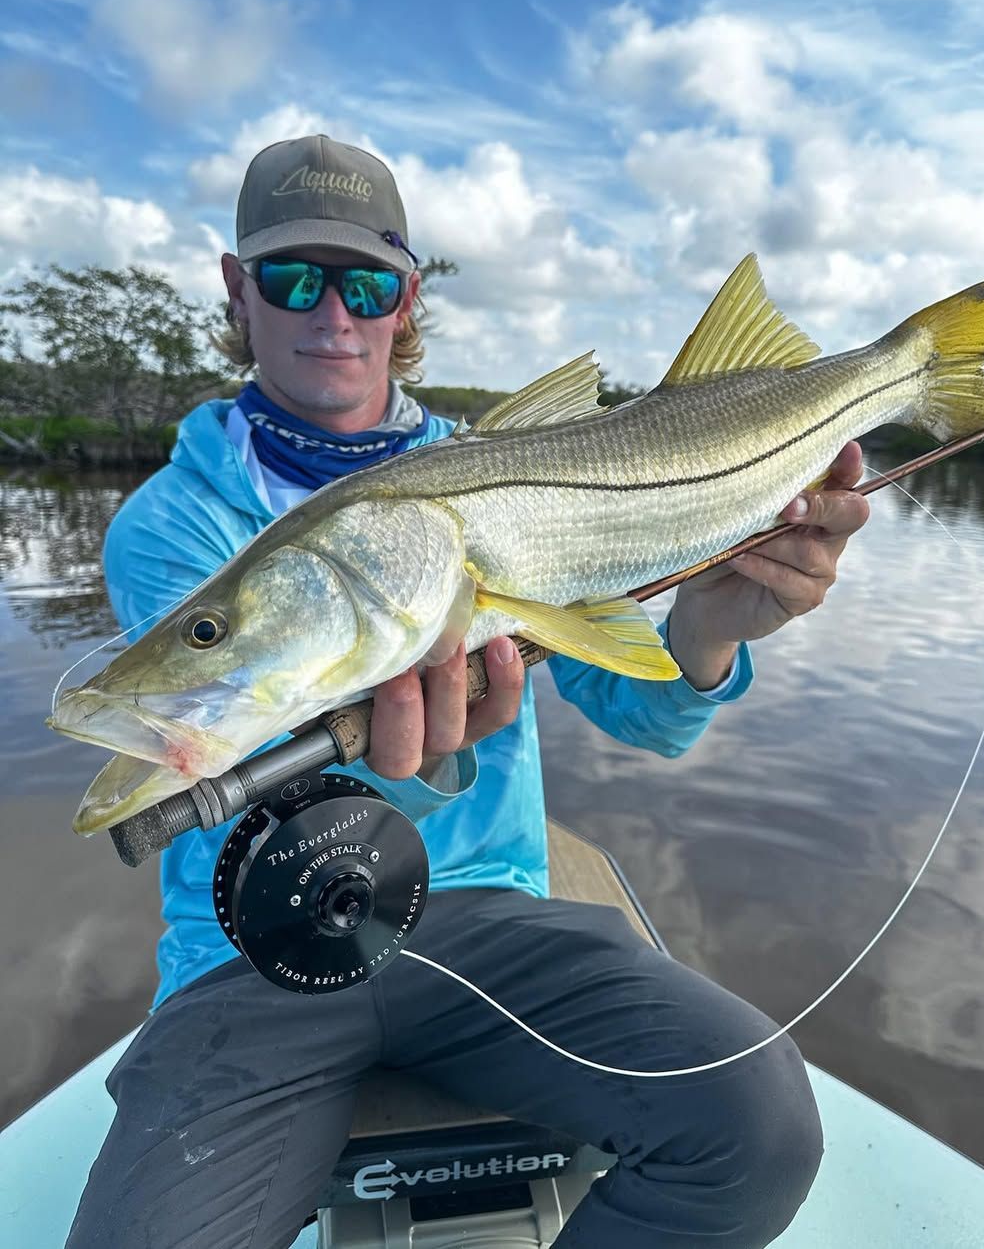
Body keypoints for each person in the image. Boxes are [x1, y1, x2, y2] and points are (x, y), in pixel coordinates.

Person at [66, 134, 870, 1249]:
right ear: (237, 291)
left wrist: (710, 625)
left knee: (757, 1127)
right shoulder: (172, 524)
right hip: (253, 954)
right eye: (293, 278)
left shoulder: (523, 468)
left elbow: (639, 707)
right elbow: (233, 777)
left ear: (407, 299)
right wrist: (421, 769)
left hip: (487, 919)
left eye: (367, 281)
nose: (331, 313)